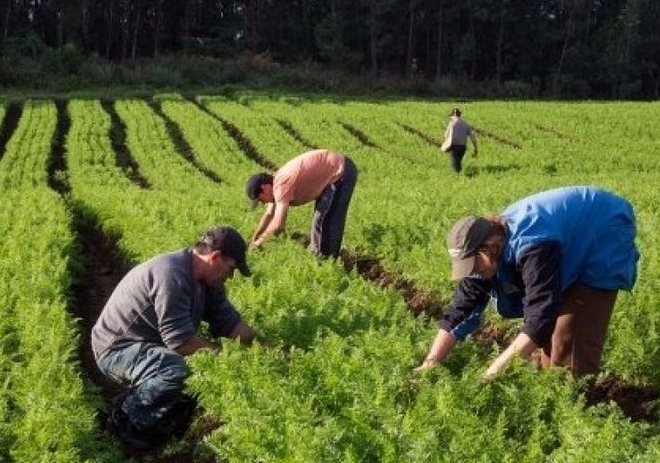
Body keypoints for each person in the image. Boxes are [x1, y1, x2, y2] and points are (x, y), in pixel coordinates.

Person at [414, 186, 639, 381]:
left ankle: (571, 405)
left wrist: (490, 375)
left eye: (473, 265)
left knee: (568, 346)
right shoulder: (486, 255)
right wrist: (430, 364)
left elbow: (540, 316)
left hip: (602, 231)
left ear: (489, 249)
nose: (472, 273)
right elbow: (460, 312)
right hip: (566, 239)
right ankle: (550, 390)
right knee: (548, 346)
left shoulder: (532, 246)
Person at [91, 226, 263, 451]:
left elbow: (230, 323)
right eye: (231, 269)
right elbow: (180, 342)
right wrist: (227, 356)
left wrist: (266, 348)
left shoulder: (208, 283)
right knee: (176, 369)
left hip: (147, 345)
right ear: (215, 257)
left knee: (190, 370)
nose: (230, 277)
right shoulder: (172, 274)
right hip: (115, 349)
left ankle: (143, 403)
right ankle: (124, 421)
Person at [246, 149, 358, 257]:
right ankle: (319, 257)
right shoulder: (275, 184)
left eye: (261, 200)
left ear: (264, 188)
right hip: (334, 169)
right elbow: (269, 214)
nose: (263, 203)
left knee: (325, 220)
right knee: (321, 219)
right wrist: (255, 238)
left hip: (341, 172)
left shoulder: (281, 186)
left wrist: (259, 243)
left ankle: (325, 261)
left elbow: (279, 225)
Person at [441, 108, 478, 173]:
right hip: (462, 148)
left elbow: (446, 135)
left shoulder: (451, 123)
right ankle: (461, 175)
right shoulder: (465, 124)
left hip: (454, 147)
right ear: (460, 115)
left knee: (455, 166)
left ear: (453, 116)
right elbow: (472, 137)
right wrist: (475, 149)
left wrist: (445, 145)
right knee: (458, 162)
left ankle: (459, 177)